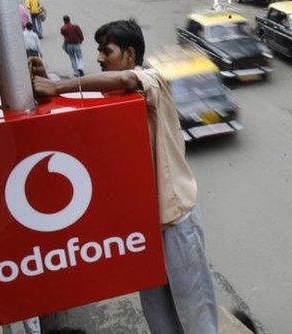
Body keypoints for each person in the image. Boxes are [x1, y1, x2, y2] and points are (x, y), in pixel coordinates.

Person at [31, 20, 218, 334]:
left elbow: (125, 78)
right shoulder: (112, 99)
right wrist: (48, 78)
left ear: (130, 54)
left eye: (107, 51)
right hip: (142, 230)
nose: (100, 58)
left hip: (175, 222)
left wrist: (58, 86)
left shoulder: (152, 80)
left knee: (195, 316)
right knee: (159, 318)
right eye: (99, 52)